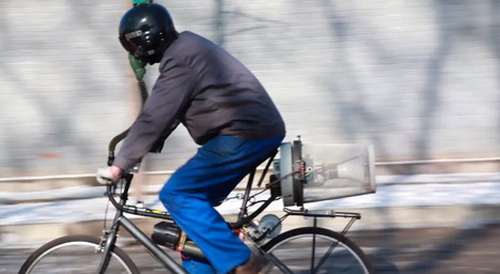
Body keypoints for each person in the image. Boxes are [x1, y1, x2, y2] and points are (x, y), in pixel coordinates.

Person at [96, 2, 286, 273]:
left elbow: (156, 115)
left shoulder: (181, 59)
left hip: (244, 133)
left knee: (178, 194)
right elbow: (167, 114)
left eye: (132, 46)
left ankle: (243, 261)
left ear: (147, 38)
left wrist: (120, 165)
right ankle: (219, 257)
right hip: (246, 131)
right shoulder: (186, 49)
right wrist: (135, 156)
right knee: (190, 223)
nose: (133, 54)